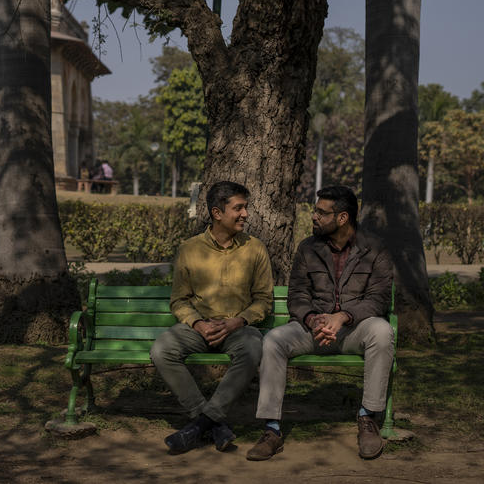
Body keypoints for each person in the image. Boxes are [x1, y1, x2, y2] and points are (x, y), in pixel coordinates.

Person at [246, 185, 394, 462]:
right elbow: (298, 295)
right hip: (313, 329)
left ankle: (368, 418)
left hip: (354, 329)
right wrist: (314, 319)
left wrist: (343, 316)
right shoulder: (307, 248)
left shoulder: (375, 248)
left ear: (342, 218)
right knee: (273, 340)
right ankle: (272, 429)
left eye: (321, 213)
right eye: (315, 211)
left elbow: (378, 299)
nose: (314, 217)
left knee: (382, 331)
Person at [150, 181, 274, 454]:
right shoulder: (189, 249)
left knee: (254, 347)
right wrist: (198, 323)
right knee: (162, 349)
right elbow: (179, 300)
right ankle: (210, 421)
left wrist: (237, 322)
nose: (245, 214)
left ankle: (201, 424)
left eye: (246, 208)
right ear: (217, 213)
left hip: (238, 329)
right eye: (238, 208)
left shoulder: (255, 248)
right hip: (199, 328)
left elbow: (264, 300)